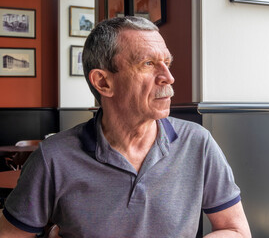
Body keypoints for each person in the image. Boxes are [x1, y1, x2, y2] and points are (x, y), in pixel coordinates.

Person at [0, 16, 251, 237]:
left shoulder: (198, 142)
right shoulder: (52, 157)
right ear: (103, 82)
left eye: (167, 63)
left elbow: (236, 230)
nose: (169, 77)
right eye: (148, 64)